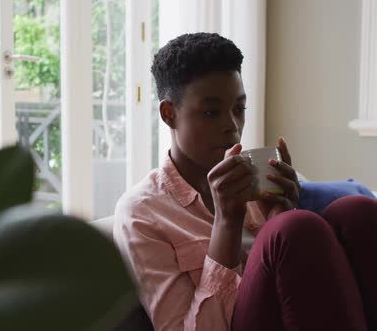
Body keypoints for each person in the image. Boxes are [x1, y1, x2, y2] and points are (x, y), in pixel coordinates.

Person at [113, 32, 377, 331]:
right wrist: (227, 223)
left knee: (356, 211)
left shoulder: (252, 180)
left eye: (239, 109)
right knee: (293, 228)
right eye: (211, 112)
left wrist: (281, 211)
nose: (232, 127)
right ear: (169, 113)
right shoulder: (142, 213)